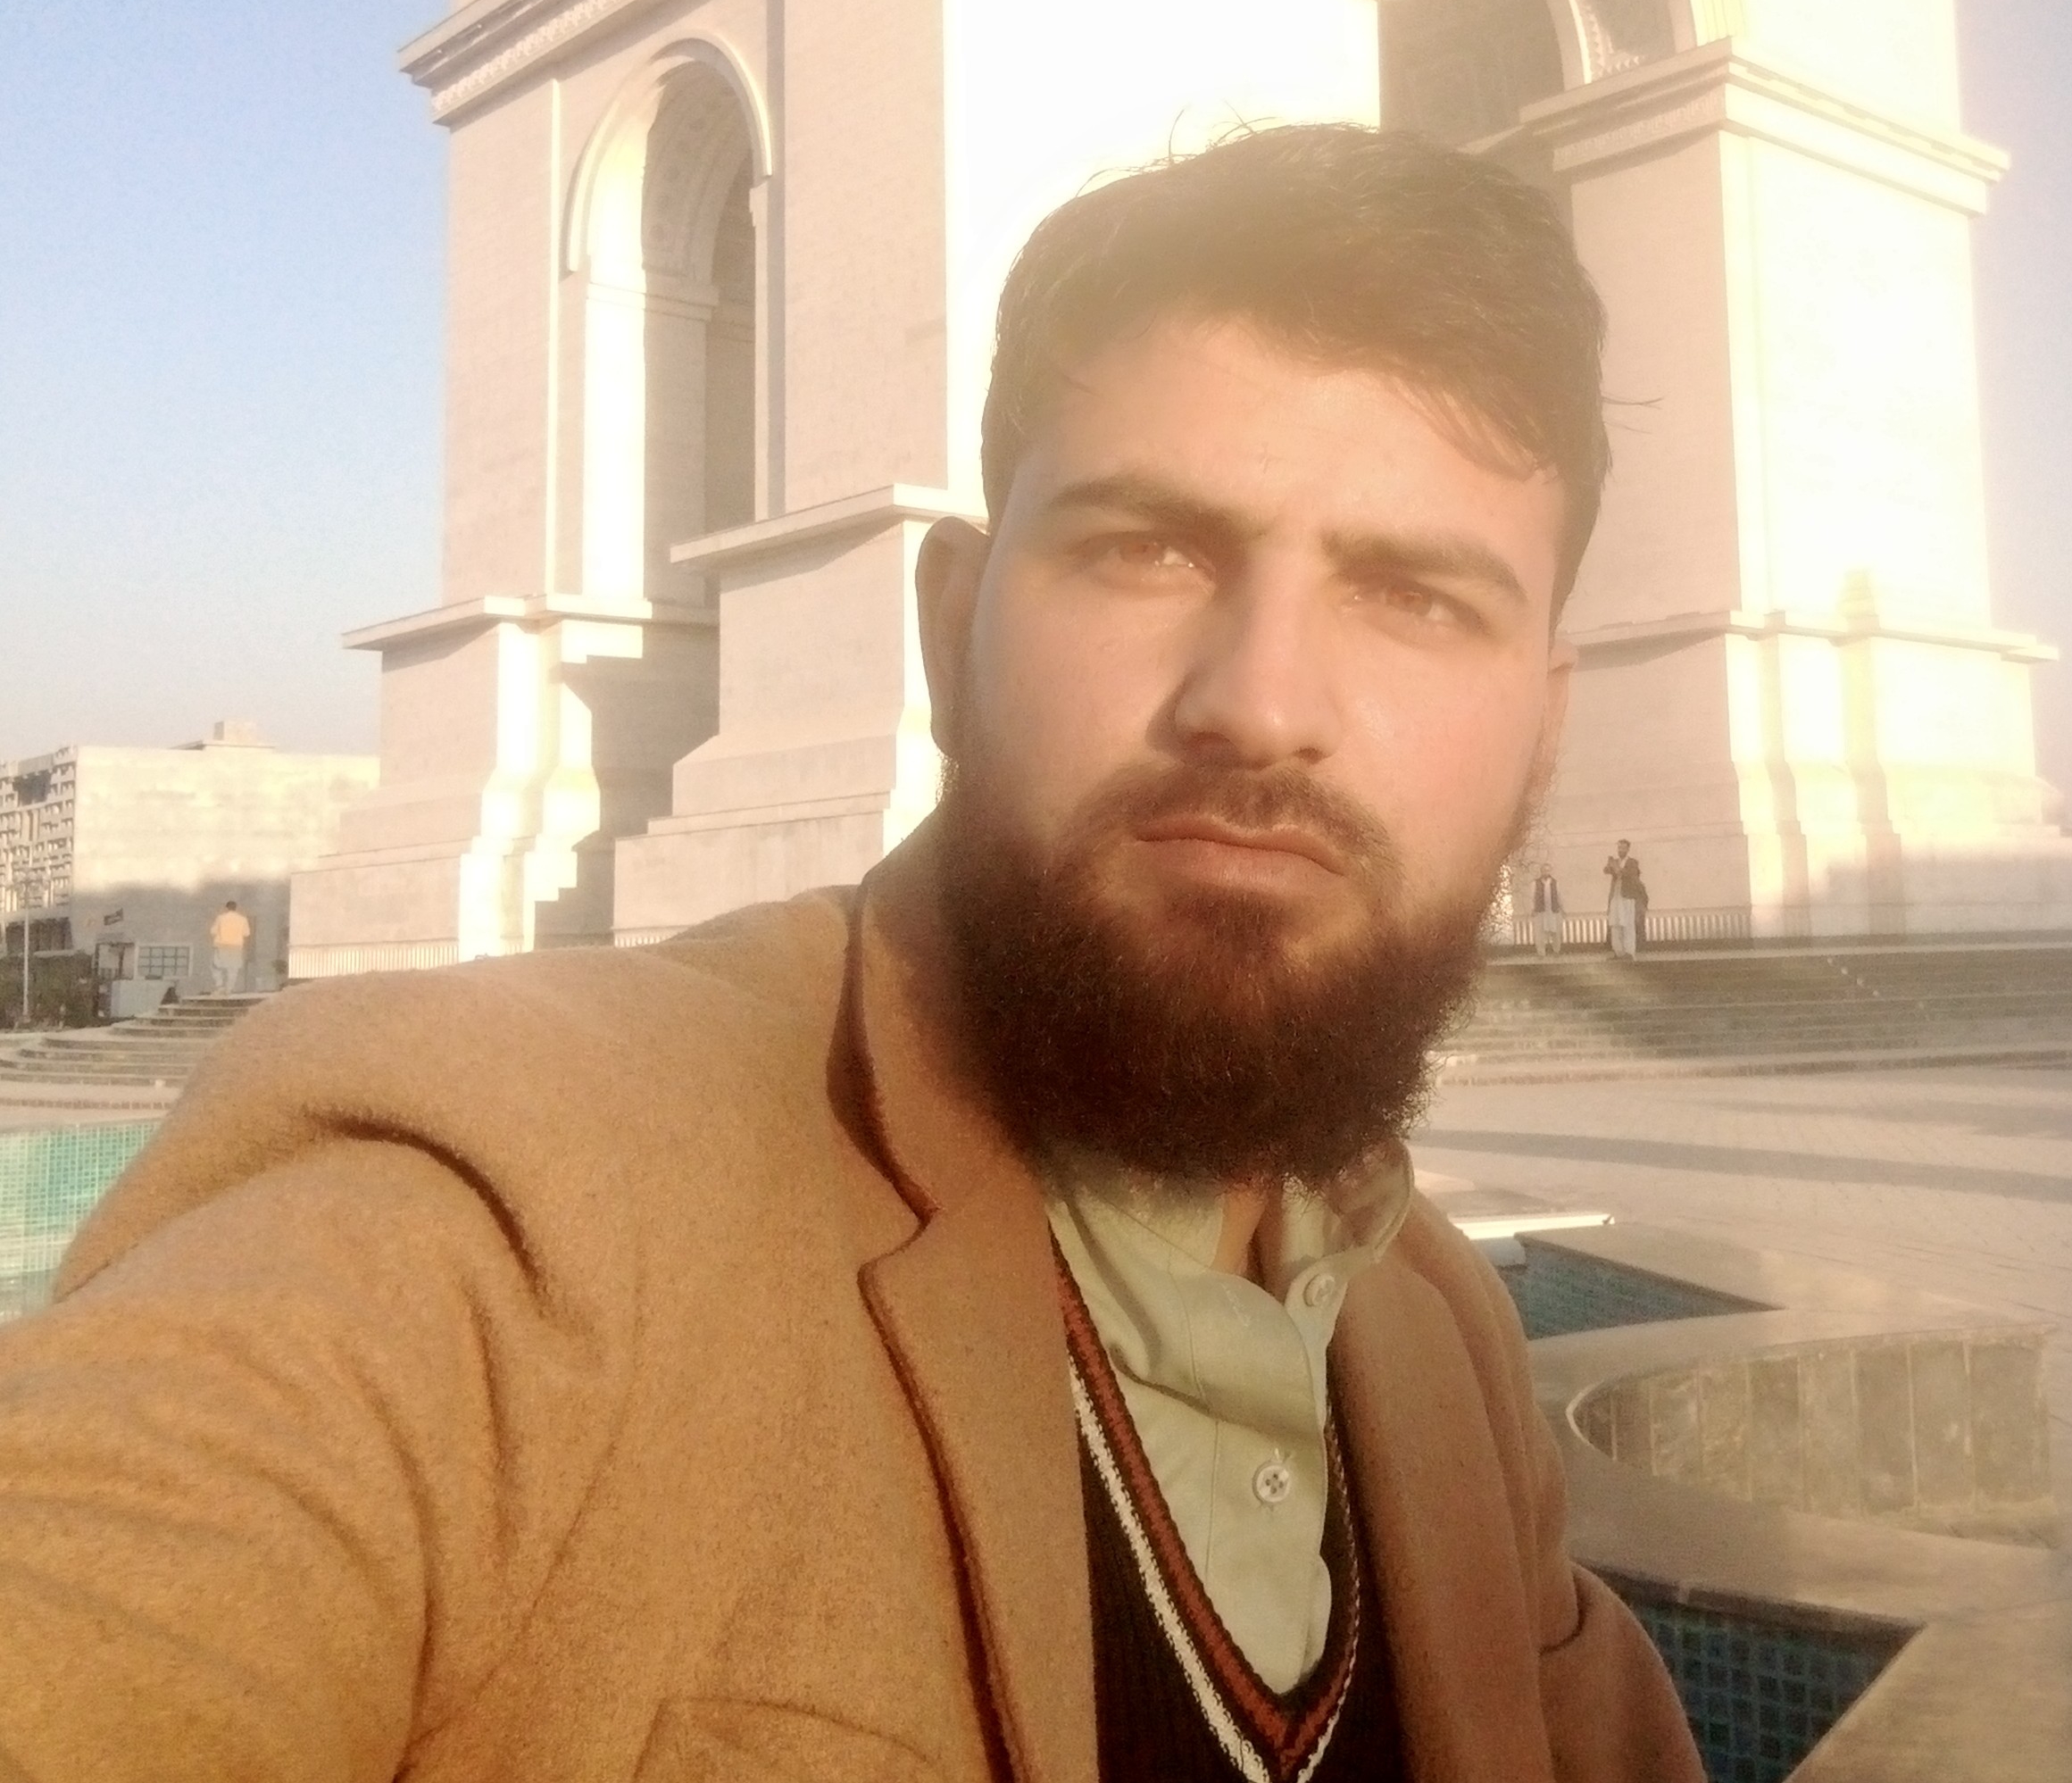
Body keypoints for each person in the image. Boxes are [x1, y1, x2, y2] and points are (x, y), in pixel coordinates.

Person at [0, 129, 1701, 1781]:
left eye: (1414, 595)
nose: (1259, 701)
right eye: (1146, 549)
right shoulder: (514, 1205)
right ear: (953, 631)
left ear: (1543, 731)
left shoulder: (1437, 1337)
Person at [1603, 839, 1639, 959]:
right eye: (1619, 848)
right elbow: (1606, 870)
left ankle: (1629, 952)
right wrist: (1611, 865)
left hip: (1627, 897)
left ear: (1628, 849)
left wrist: (1616, 867)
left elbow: (1628, 874)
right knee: (1615, 924)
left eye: (1623, 848)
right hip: (1615, 896)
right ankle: (1618, 952)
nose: (1621, 850)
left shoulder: (1632, 862)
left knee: (1627, 924)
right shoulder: (1615, 861)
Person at [206, 898, 251, 994]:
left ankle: (220, 986)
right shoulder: (242, 919)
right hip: (236, 946)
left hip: (221, 945)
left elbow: (213, 931)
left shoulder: (220, 918)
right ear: (236, 908)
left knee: (216, 967)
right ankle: (229, 989)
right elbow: (246, 933)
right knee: (233, 968)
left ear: (226, 908)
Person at [1531, 863, 1565, 954]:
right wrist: (1533, 909)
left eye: (1548, 870)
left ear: (1550, 871)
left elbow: (1559, 897)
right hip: (1541, 911)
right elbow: (1532, 897)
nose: (1546, 872)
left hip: (1553, 911)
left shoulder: (1555, 883)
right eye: (1544, 870)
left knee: (1556, 932)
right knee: (1540, 933)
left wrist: (1563, 909)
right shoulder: (1535, 883)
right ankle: (1541, 952)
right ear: (1541, 871)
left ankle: (1556, 951)